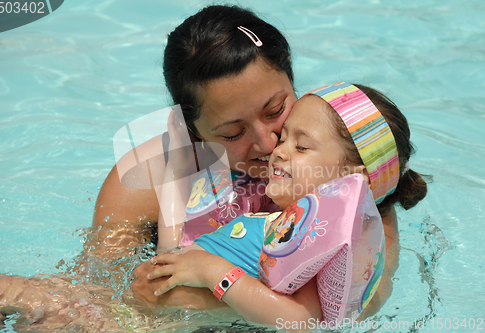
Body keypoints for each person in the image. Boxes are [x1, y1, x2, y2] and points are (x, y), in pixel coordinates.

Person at [131, 82, 429, 327]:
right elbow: (172, 255)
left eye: (301, 146)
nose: (278, 151)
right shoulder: (284, 221)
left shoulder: (317, 238)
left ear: (352, 178)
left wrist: (212, 272)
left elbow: (301, 321)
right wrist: (175, 172)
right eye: (284, 138)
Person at [91, 5, 297, 254]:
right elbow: (102, 287)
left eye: (275, 110)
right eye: (233, 133)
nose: (267, 144)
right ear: (191, 129)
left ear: (288, 70)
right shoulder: (143, 181)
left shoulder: (336, 141)